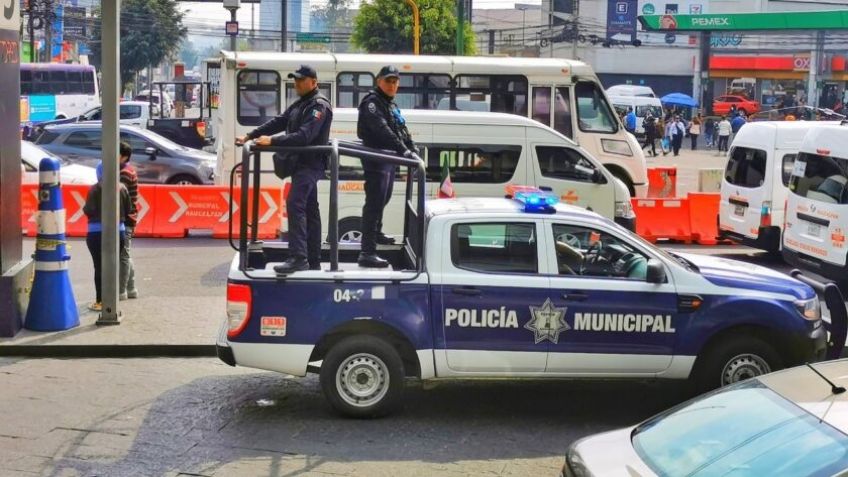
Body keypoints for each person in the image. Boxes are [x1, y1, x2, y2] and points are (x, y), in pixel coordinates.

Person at [236, 65, 333, 273]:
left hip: (310, 164)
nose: (297, 83)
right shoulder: (301, 103)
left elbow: (304, 136)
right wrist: (251, 135)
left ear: (313, 82)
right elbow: (280, 121)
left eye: (301, 79)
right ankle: (313, 259)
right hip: (300, 164)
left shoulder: (318, 106)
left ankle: (299, 257)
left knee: (295, 203)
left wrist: (271, 141)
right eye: (295, 79)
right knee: (309, 209)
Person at [356, 65, 418, 268]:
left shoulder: (391, 105)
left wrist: (412, 149)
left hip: (388, 160)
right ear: (378, 81)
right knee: (374, 203)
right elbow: (382, 130)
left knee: (384, 198)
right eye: (388, 81)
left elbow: (401, 129)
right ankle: (367, 252)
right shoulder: (372, 103)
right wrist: (404, 151)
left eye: (395, 82)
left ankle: (377, 233)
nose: (392, 85)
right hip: (376, 159)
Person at [84, 162, 131, 312]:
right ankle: (112, 300)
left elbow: (89, 210)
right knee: (112, 266)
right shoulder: (122, 188)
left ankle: (100, 301)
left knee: (99, 267)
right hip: (119, 231)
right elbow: (129, 208)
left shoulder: (95, 188)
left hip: (96, 232)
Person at [118, 141, 138, 299]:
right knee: (125, 254)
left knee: (123, 255)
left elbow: (120, 197)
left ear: (123, 157)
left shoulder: (124, 173)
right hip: (129, 218)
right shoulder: (128, 170)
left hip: (126, 219)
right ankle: (131, 289)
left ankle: (121, 291)